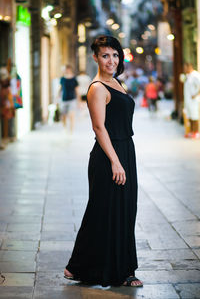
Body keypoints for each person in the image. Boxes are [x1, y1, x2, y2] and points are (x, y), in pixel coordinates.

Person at [64, 35, 143, 287]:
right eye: (105, 55)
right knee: (107, 211)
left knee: (121, 210)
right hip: (109, 155)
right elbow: (99, 128)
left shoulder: (116, 83)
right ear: (96, 58)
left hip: (124, 150)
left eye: (115, 55)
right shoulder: (98, 88)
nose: (111, 60)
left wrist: (123, 158)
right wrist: (115, 162)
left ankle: (80, 268)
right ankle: (122, 272)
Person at [58, 65, 81, 133]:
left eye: (68, 69)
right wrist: (57, 98)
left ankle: (71, 130)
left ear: (70, 70)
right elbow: (59, 88)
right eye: (66, 69)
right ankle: (64, 128)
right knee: (63, 116)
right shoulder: (62, 79)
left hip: (72, 99)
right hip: (64, 99)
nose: (67, 71)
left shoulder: (74, 79)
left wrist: (79, 101)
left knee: (71, 115)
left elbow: (77, 90)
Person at [183, 62, 200, 139]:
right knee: (189, 116)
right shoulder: (187, 76)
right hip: (188, 100)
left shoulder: (195, 75)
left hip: (194, 100)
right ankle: (191, 131)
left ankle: (196, 132)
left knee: (194, 116)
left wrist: (196, 95)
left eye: (185, 67)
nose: (184, 69)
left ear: (189, 67)